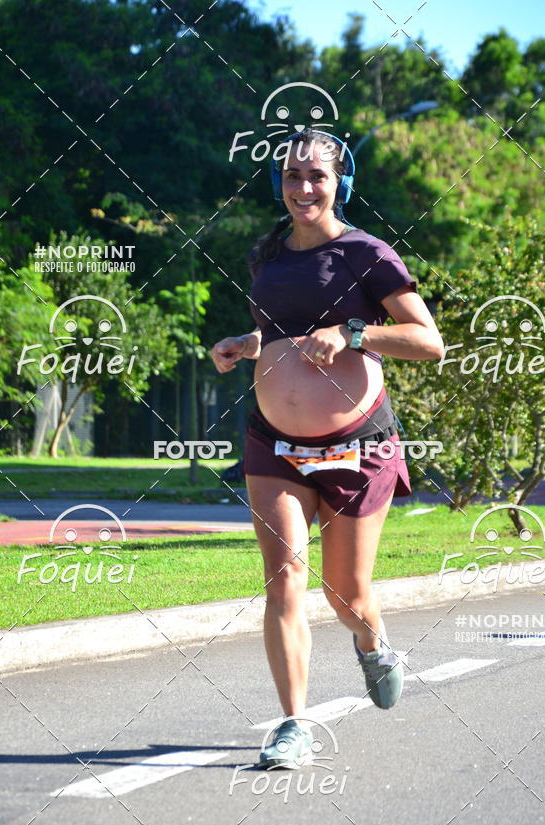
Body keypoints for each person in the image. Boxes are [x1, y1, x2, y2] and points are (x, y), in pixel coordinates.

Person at [211, 129, 444, 768]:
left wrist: (354, 333)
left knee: (346, 595)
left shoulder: (367, 254)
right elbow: (281, 335)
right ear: (278, 183)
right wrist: (244, 344)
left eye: (316, 176)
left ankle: (372, 646)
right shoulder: (267, 255)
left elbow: (429, 342)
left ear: (339, 182)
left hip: (357, 445)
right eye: (291, 176)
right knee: (285, 578)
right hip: (274, 445)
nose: (303, 187)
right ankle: (294, 725)